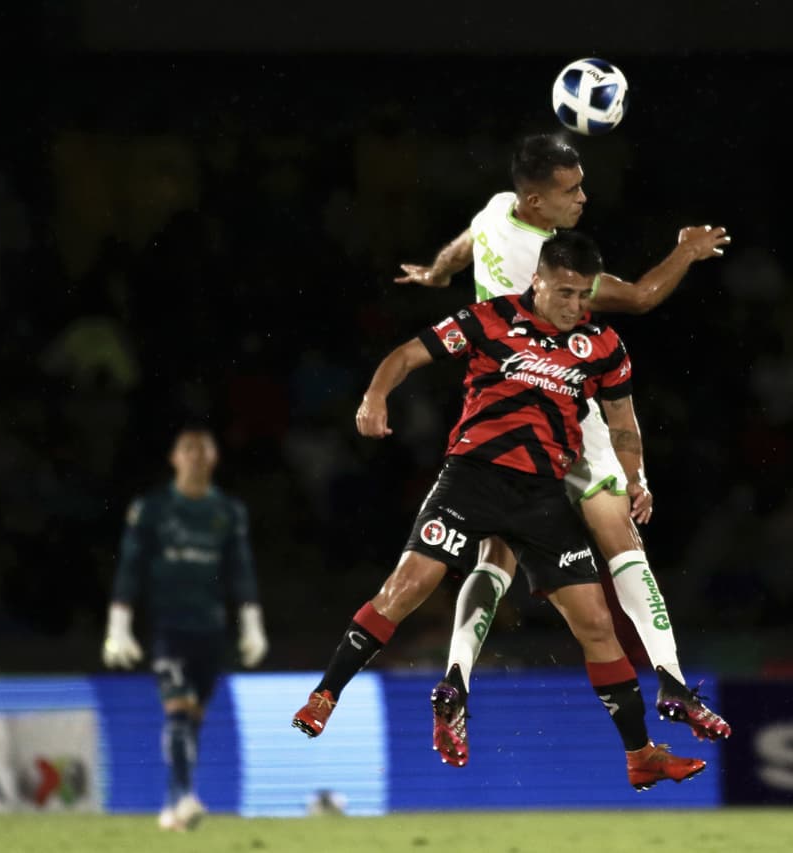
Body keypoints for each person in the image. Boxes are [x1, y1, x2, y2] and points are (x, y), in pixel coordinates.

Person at [294, 232, 706, 791]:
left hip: (543, 497)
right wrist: (375, 395)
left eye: (583, 294)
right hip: (472, 480)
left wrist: (635, 479)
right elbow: (407, 354)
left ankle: (641, 755)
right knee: (406, 588)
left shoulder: (604, 345)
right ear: (537, 280)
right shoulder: (487, 319)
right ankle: (325, 694)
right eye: (564, 292)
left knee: (596, 625)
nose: (574, 305)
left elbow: (623, 424)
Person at [394, 134, 732, 763]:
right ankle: (673, 680)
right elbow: (641, 297)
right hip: (563, 408)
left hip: (500, 414)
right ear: (535, 200)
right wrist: (686, 251)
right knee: (621, 536)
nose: (582, 198)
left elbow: (468, 239)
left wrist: (439, 272)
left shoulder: (498, 209)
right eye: (570, 190)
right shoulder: (550, 268)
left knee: (496, 553)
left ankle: (456, 679)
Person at [101, 425, 269, 830]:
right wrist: (119, 624)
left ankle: (171, 805)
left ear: (214, 458)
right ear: (174, 458)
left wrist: (252, 624)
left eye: (202, 449)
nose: (195, 456)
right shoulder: (152, 508)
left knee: (193, 717)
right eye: (187, 449)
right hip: (168, 628)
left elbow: (241, 569)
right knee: (177, 709)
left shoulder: (227, 512)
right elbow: (130, 566)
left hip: (210, 630)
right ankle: (184, 797)